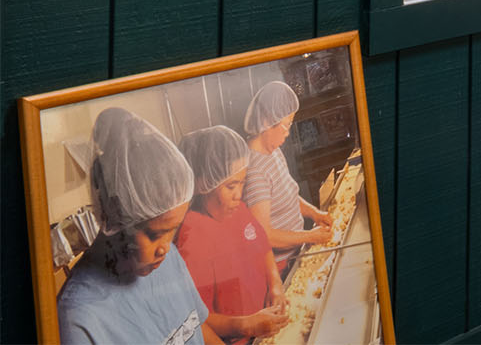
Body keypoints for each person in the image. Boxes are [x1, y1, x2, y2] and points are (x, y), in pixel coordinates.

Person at [56, 108, 219, 345]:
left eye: (172, 230)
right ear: (116, 217)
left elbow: (196, 327)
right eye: (155, 234)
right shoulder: (80, 318)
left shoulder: (167, 259)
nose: (165, 247)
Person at [175, 127, 288, 344]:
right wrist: (247, 325)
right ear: (204, 184)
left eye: (242, 183)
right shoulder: (192, 237)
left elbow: (263, 248)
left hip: (267, 326)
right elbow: (199, 318)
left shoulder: (238, 210)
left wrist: (275, 285)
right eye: (231, 186)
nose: (239, 194)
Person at [241, 81, 331, 272]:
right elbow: (265, 236)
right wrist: (310, 236)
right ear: (267, 122)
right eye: (287, 125)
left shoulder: (273, 151)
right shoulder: (254, 172)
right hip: (283, 267)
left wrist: (315, 213)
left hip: (298, 250)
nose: (288, 133)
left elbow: (288, 194)